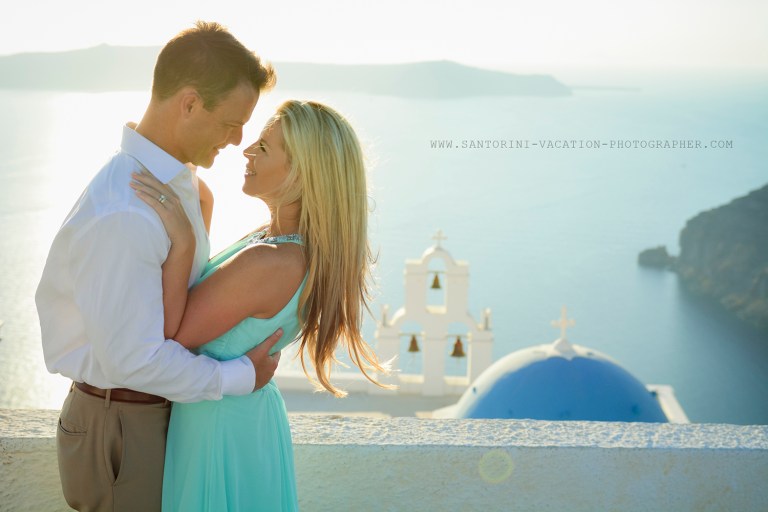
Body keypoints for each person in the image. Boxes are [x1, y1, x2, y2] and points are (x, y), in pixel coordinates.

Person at [35, 22, 277, 511]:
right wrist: (237, 378)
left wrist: (190, 237)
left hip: (147, 413)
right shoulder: (126, 213)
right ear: (189, 103)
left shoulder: (173, 184)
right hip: (122, 424)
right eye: (232, 121)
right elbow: (135, 360)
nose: (238, 140)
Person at [130, 100, 391, 511]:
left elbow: (170, 335)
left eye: (264, 148)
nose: (247, 150)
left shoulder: (269, 261)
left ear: (302, 174)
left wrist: (182, 242)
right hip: (242, 417)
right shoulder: (289, 246)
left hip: (218, 428)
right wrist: (198, 198)